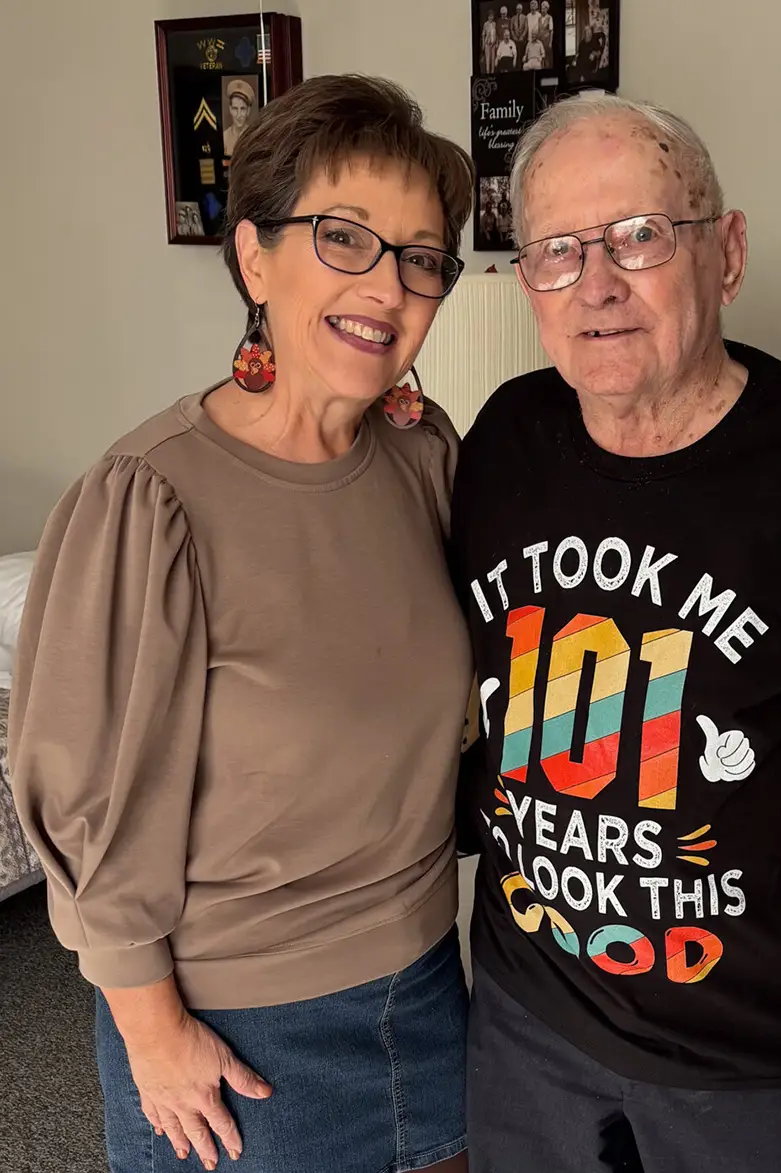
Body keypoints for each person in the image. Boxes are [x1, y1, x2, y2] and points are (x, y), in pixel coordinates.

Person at [450, 93, 781, 1172]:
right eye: (557, 251)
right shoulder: (503, 434)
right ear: (529, 284)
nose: (596, 284)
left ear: (726, 251)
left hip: (759, 1050)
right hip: (529, 1016)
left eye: (640, 236)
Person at [11, 74, 475, 1173]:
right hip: (239, 1034)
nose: (390, 285)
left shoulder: (424, 459)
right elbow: (82, 798)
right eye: (346, 238)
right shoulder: (150, 495)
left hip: (427, 989)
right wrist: (150, 1031)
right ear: (255, 257)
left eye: (420, 257)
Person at [223, 78, 255, 157]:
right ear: (230, 109)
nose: (238, 115)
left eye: (243, 109)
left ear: (248, 111)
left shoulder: (254, 136)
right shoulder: (225, 137)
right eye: (235, 109)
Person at [481, 9, 498, 74]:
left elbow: (496, 34)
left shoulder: (494, 24)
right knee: (488, 60)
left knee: (493, 59)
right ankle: (488, 73)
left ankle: (492, 72)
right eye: (489, 16)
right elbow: (483, 35)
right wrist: (483, 44)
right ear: (488, 17)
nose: (491, 17)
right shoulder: (485, 24)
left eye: (492, 16)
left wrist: (496, 43)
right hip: (487, 44)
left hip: (493, 44)